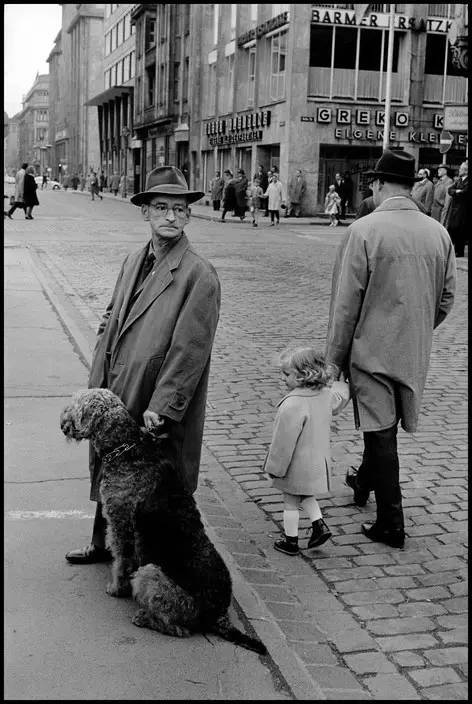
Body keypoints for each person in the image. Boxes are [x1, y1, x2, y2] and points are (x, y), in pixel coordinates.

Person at [65, 165, 221, 564]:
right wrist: (99, 369)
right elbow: (111, 316)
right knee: (109, 464)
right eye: (162, 207)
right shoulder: (134, 259)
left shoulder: (198, 275)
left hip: (151, 396)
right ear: (145, 212)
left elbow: (191, 350)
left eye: (179, 209)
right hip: (115, 385)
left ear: (188, 216)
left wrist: (163, 405)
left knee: (149, 481)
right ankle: (103, 543)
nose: (171, 216)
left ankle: (151, 561)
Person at [325, 149, 456, 549]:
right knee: (381, 427)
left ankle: (391, 522)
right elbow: (447, 298)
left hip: (371, 351)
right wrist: (417, 327)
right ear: (413, 186)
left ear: (380, 184)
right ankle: (363, 482)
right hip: (413, 349)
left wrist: (333, 359)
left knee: (381, 433)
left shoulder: (364, 230)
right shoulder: (438, 232)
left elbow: (345, 305)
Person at [264, 347, 350, 556]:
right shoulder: (325, 395)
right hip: (317, 462)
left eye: (287, 374)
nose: (282, 378)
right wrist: (342, 382)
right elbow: (340, 396)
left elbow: (283, 443)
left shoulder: (292, 404)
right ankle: (319, 525)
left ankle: (291, 540)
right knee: (306, 495)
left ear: (303, 376)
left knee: (290, 501)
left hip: (296, 463)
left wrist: (274, 468)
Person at [444, 161, 468, 257]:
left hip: (463, 210)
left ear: (466, 171)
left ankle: (459, 251)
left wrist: (458, 192)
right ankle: (455, 250)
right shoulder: (459, 180)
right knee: (454, 229)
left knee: (460, 230)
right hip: (455, 209)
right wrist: (457, 191)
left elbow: (465, 192)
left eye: (461, 169)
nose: (459, 170)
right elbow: (450, 190)